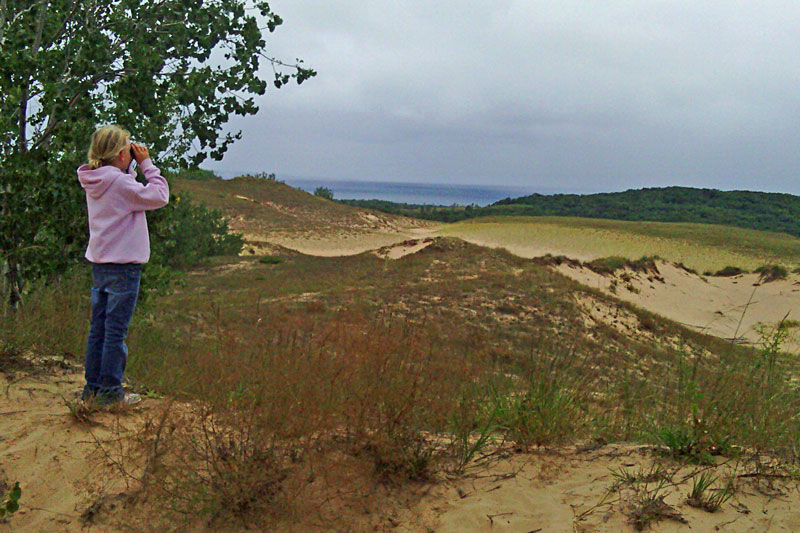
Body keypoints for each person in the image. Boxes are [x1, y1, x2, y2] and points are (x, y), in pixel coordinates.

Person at [77, 125, 169, 405]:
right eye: (128, 148)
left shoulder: (95, 179)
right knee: (115, 333)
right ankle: (111, 394)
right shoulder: (119, 183)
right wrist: (146, 164)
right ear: (120, 154)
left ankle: (92, 389)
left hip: (101, 265)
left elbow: (122, 183)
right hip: (124, 268)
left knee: (99, 330)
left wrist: (128, 165)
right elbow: (159, 195)